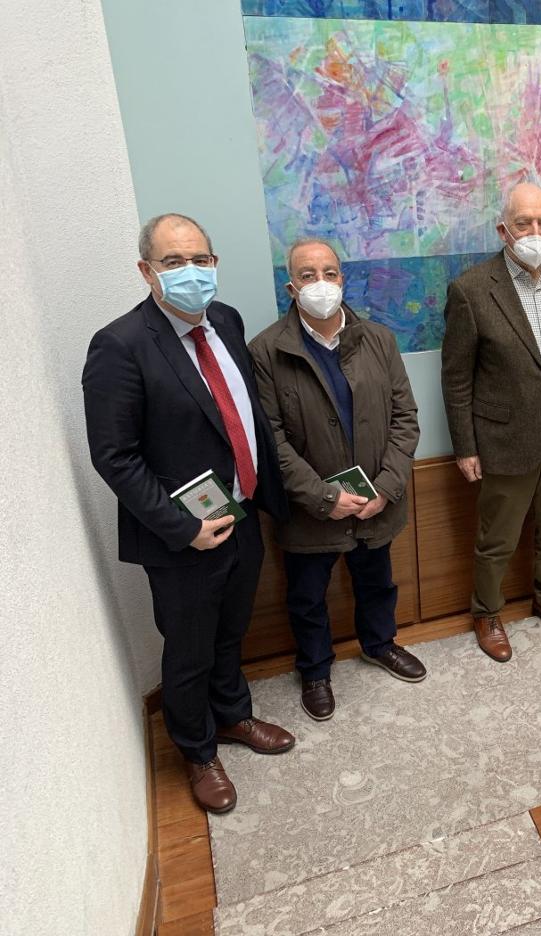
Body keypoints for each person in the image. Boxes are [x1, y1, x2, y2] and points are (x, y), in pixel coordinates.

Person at [83, 213, 295, 814]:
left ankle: (233, 717)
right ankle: (197, 751)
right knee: (188, 648)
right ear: (146, 271)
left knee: (231, 632)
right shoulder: (119, 345)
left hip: (243, 515)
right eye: (174, 263)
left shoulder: (224, 321)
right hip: (183, 538)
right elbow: (115, 456)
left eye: (201, 260)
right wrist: (184, 529)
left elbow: (242, 418)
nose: (191, 273)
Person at [250, 238, 423, 721]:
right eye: (308, 275)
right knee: (307, 597)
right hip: (310, 510)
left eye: (329, 272)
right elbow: (272, 440)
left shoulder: (378, 339)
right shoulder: (266, 351)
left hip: (375, 501)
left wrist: (386, 486)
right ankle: (315, 670)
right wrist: (324, 496)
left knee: (377, 582)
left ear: (342, 279)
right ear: (291, 285)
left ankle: (379, 644)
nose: (320, 283)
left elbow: (405, 417)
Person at [441, 183, 541, 662]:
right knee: (497, 539)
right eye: (523, 223)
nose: (535, 232)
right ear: (503, 230)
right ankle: (486, 612)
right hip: (504, 439)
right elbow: (456, 380)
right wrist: (465, 446)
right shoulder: (471, 290)